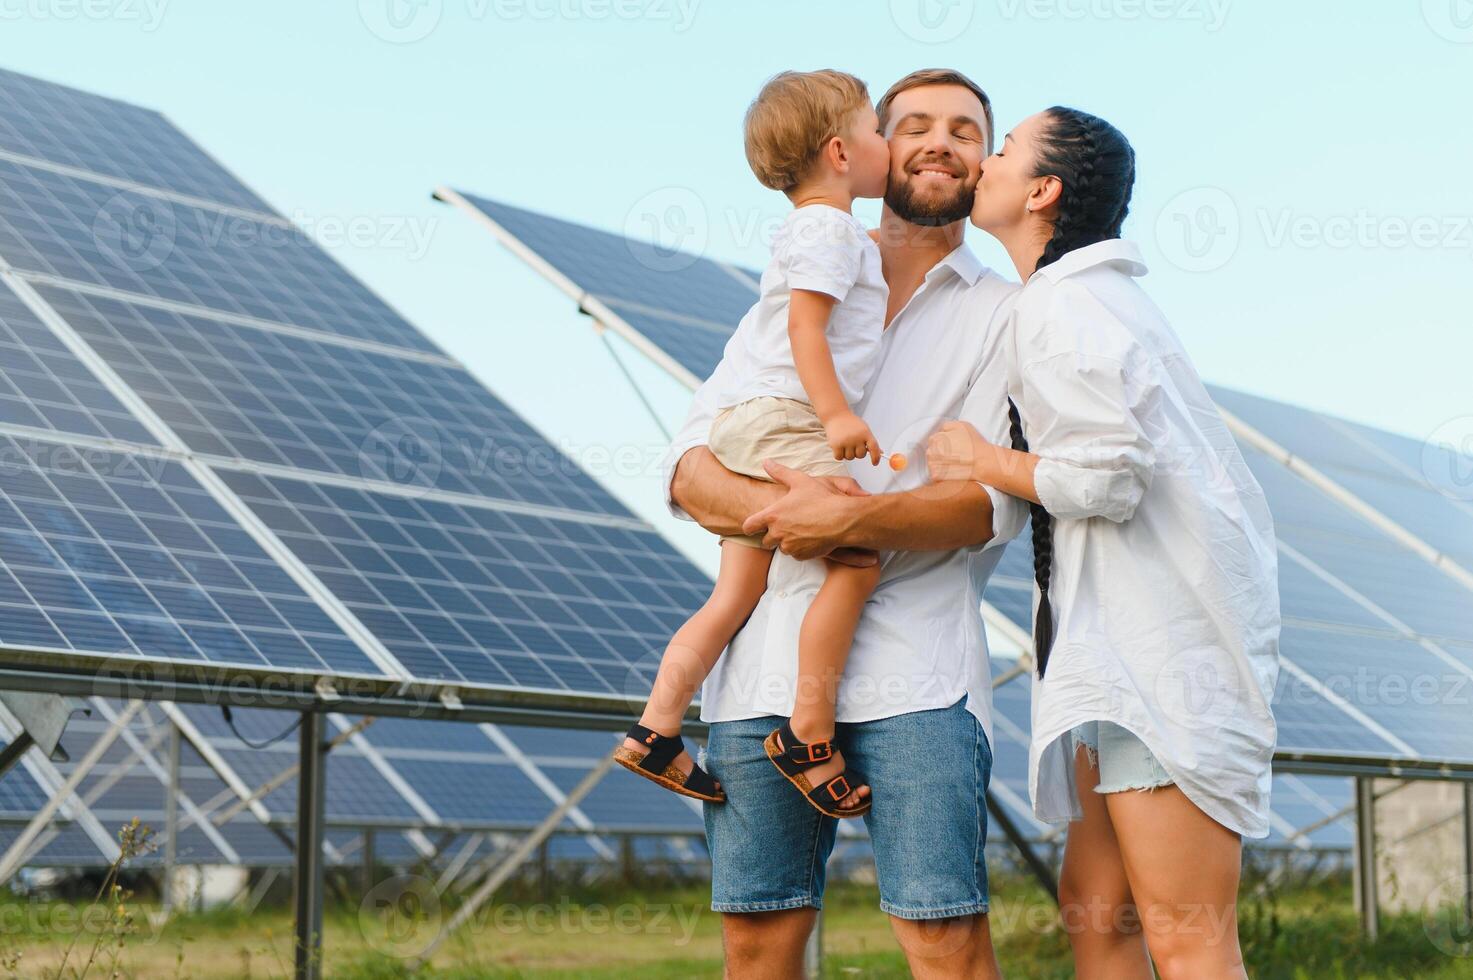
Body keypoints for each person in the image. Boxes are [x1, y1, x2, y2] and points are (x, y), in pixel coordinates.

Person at [663, 69, 1025, 979]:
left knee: (943, 941)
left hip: (919, 680)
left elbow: (985, 506)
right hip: (759, 677)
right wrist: (798, 515)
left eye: (966, 130)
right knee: (755, 939)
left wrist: (847, 515)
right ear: (863, 148)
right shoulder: (805, 268)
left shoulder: (1010, 315)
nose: (940, 141)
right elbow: (688, 468)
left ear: (986, 163)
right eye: (914, 125)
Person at [926, 106, 1281, 979]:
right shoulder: (1065, 300)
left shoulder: (1068, 306)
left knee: (1187, 938)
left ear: (1041, 190)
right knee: (1098, 916)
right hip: (1108, 656)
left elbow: (1106, 479)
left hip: (1156, 659)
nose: (985, 160)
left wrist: (980, 459)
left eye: (1002, 149)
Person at [617, 69, 892, 817]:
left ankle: (657, 730)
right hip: (787, 417)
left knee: (736, 591)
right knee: (859, 555)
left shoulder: (823, 230)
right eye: (877, 131)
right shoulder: (831, 229)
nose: (887, 145)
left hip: (741, 423)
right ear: (840, 151)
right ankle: (809, 734)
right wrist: (835, 417)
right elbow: (807, 330)